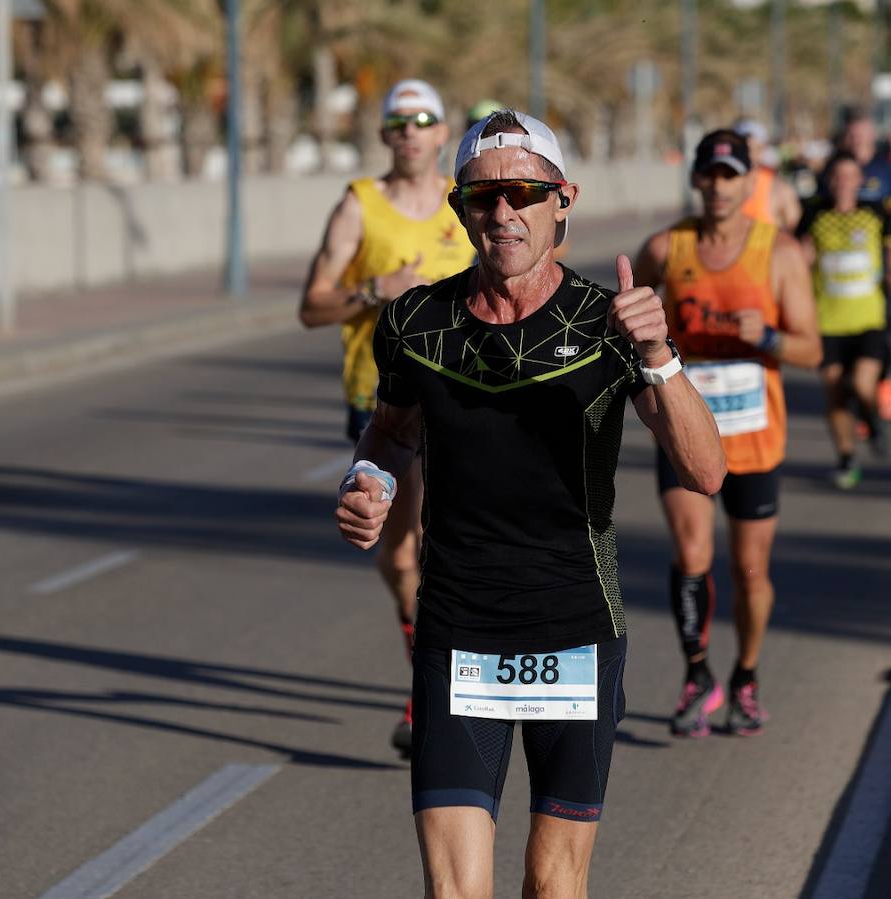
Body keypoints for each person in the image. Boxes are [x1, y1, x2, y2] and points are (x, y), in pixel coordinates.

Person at [335, 109, 724, 899]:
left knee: (552, 884)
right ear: (460, 210)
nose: (502, 215)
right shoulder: (416, 323)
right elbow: (389, 436)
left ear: (562, 199)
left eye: (522, 194)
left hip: (574, 628)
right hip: (458, 630)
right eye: (482, 199)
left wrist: (659, 356)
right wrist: (369, 482)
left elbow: (706, 471)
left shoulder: (608, 323)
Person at [298, 79, 474, 758]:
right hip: (380, 401)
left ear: (441, 132)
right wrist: (378, 290)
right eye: (398, 122)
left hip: (461, 400)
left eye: (423, 120)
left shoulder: (467, 203)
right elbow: (312, 306)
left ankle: (436, 688)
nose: (410, 132)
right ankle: (425, 666)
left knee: (448, 544)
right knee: (400, 556)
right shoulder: (359, 206)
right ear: (384, 135)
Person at [633, 129, 821, 738]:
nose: (718, 186)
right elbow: (626, 313)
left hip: (754, 436)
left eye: (730, 175)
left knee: (749, 570)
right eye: (709, 174)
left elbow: (813, 350)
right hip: (684, 430)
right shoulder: (667, 247)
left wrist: (764, 336)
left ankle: (745, 675)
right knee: (691, 553)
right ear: (696, 178)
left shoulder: (780, 251)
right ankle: (697, 676)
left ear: (750, 182)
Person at [797, 151, 891, 490]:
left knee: (861, 382)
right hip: (827, 323)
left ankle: (872, 420)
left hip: (868, 320)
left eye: (851, 176)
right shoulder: (815, 215)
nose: (844, 183)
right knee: (833, 392)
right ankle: (846, 457)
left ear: (861, 181)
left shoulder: (875, 214)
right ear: (830, 181)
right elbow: (801, 257)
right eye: (838, 176)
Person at [838, 113, 891, 422]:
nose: (856, 141)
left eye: (861, 135)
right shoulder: (836, 168)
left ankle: (883, 380)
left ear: (870, 135)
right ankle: (859, 394)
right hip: (841, 269)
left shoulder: (887, 169)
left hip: (879, 265)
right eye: (851, 135)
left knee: (880, 329)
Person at [734, 118, 803, 232]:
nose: (749, 154)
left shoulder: (779, 188)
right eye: (743, 148)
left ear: (763, 149)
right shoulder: (724, 184)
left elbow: (793, 225)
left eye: (755, 148)